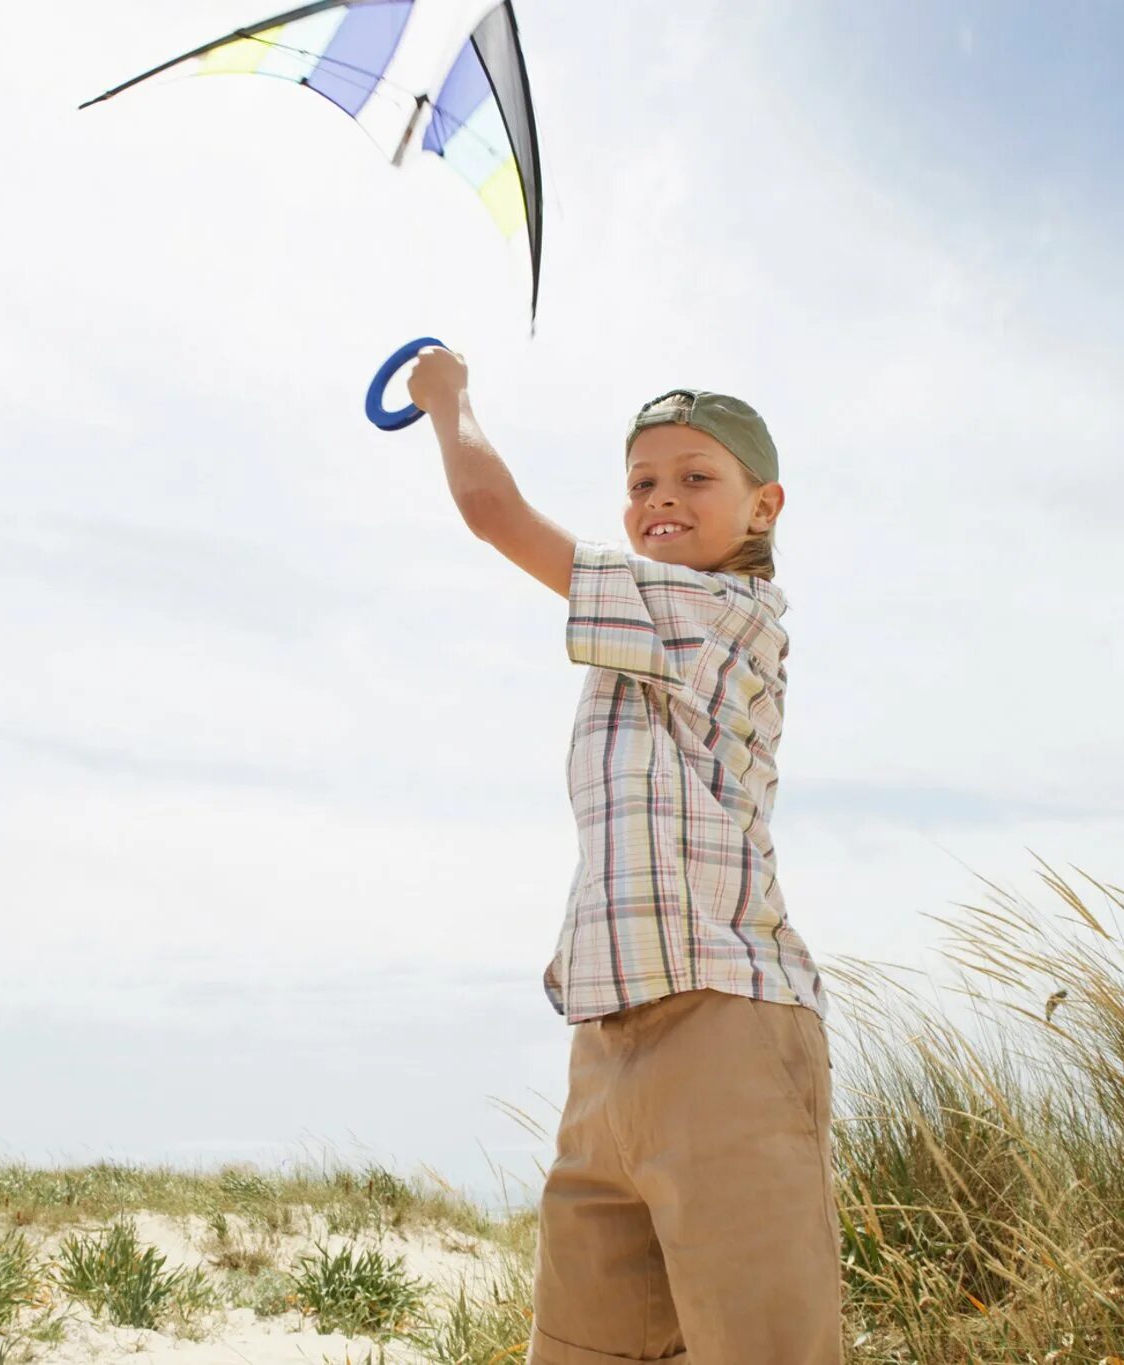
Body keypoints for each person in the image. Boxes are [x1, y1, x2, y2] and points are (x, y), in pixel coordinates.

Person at [406, 346, 841, 1365]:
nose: (660, 499)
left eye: (697, 477)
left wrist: (447, 399)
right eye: (641, 482)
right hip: (610, 1041)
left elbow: (490, 512)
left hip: (724, 1026)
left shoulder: (717, 613)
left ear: (762, 507)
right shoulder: (634, 631)